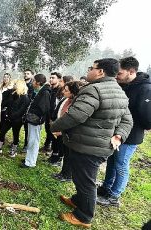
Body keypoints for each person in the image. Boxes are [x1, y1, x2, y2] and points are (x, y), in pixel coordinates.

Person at [51, 58, 133, 228]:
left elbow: (75, 116)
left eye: (92, 68)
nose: (89, 70)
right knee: (82, 178)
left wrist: (55, 126)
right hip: (96, 146)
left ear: (100, 72)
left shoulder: (94, 90)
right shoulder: (119, 91)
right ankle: (77, 200)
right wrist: (119, 135)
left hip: (87, 147)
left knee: (86, 182)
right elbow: (128, 121)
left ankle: (83, 216)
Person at [97, 57, 151, 207]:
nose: (116, 76)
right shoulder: (125, 85)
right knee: (112, 162)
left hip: (131, 136)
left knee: (121, 164)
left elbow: (146, 117)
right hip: (117, 133)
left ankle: (114, 196)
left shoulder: (145, 89)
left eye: (120, 73)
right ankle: (105, 188)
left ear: (131, 72)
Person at [51, 81, 86, 181]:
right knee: (66, 154)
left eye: (66, 91)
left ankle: (67, 175)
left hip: (71, 134)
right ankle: (63, 173)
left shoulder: (77, 104)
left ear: (73, 92)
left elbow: (73, 121)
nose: (63, 92)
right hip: (65, 132)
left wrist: (61, 131)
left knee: (70, 156)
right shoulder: (67, 100)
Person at [0, 80, 30, 157]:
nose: (14, 86)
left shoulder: (25, 98)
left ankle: (14, 150)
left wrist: (12, 116)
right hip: (8, 118)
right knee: (2, 131)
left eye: (15, 84)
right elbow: (7, 105)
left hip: (17, 120)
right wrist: (7, 114)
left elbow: (21, 111)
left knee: (15, 134)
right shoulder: (13, 94)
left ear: (19, 86)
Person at [22, 74, 51, 168]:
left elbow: (44, 108)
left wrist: (32, 111)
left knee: (34, 141)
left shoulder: (45, 92)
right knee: (31, 140)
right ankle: (29, 158)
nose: (33, 82)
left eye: (34, 81)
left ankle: (30, 162)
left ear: (38, 82)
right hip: (33, 119)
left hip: (36, 120)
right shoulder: (40, 91)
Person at [42, 72, 62, 153]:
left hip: (54, 116)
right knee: (47, 130)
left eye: (53, 78)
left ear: (58, 79)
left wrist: (53, 117)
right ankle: (47, 145)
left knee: (53, 132)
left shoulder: (60, 91)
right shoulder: (49, 89)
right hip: (47, 113)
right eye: (50, 78)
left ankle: (54, 151)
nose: (51, 79)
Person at [21, 69, 35, 153]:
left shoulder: (32, 85)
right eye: (25, 73)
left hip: (28, 109)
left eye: (28, 73)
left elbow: (31, 98)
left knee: (27, 129)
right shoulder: (22, 83)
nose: (26, 75)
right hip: (20, 108)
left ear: (32, 75)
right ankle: (16, 142)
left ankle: (26, 145)